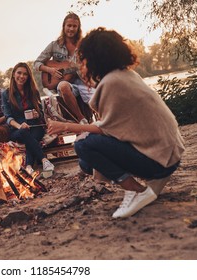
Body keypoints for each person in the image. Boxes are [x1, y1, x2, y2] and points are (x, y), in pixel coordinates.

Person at [47, 27, 185, 218]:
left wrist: (66, 127)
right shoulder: (125, 75)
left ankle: (136, 190)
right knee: (86, 163)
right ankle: (144, 187)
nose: (81, 66)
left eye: (83, 60)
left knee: (83, 145)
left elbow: (107, 130)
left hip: (160, 160)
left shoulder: (112, 83)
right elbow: (115, 126)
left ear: (96, 59)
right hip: (169, 153)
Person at [34, 12, 94, 124]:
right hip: (66, 83)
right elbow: (37, 63)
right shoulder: (54, 45)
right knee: (63, 86)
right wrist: (50, 70)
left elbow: (91, 65)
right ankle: (81, 119)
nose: (71, 29)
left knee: (98, 96)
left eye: (74, 26)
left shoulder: (84, 45)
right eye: (69, 25)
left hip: (83, 81)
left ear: (78, 28)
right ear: (64, 26)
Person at [2, 62, 54, 176]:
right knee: (24, 133)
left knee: (31, 137)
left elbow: (41, 113)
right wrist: (20, 126)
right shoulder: (6, 93)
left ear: (28, 76)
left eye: (25, 74)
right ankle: (44, 160)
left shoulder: (33, 91)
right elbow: (8, 117)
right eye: (19, 73)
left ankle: (29, 166)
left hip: (35, 126)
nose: (22, 76)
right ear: (13, 75)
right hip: (17, 129)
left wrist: (37, 114)